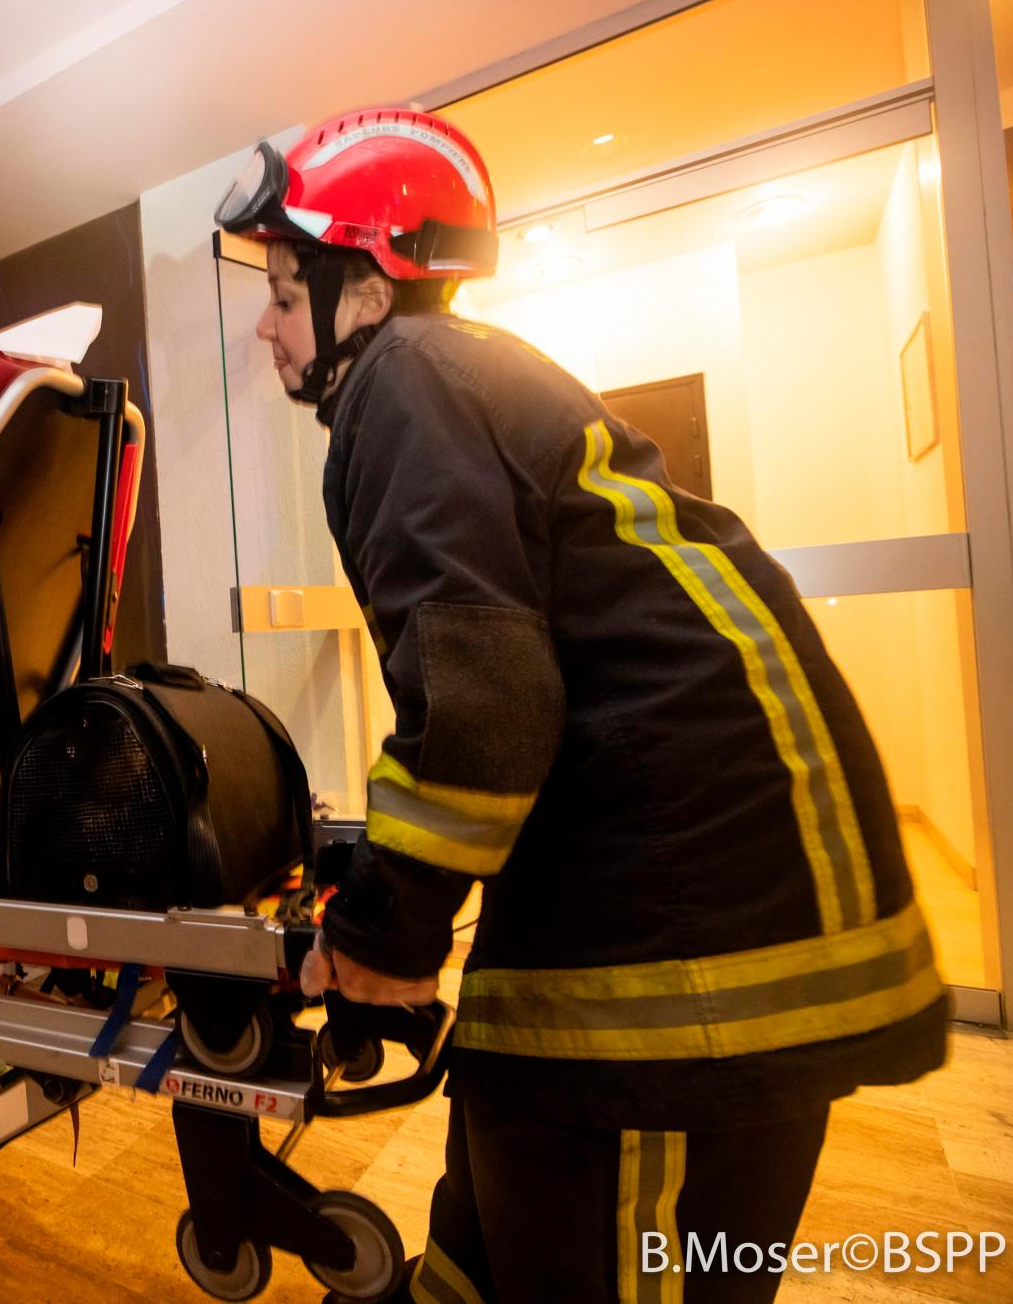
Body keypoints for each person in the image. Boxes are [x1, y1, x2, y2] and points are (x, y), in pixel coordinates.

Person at [215, 107, 946, 1301]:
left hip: (678, 941)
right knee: (501, 1187)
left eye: (285, 293)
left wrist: (382, 936)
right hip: (654, 880)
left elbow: (482, 705)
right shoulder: (461, 372)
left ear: (367, 292)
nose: (265, 324)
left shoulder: (401, 380)